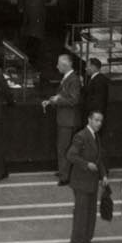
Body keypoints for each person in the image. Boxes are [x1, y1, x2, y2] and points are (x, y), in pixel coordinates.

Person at [66, 107, 107, 243]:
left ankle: (86, 241)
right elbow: (71, 155)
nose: (99, 123)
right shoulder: (81, 136)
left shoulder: (95, 136)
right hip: (81, 181)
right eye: (96, 120)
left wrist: (103, 175)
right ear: (89, 120)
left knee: (90, 213)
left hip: (91, 181)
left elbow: (98, 158)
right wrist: (86, 164)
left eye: (101, 121)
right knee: (81, 214)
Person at [42, 52, 81, 184]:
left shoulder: (73, 79)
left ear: (65, 64)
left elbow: (73, 100)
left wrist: (57, 100)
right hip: (66, 119)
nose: (57, 66)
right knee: (64, 147)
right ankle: (64, 171)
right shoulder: (68, 78)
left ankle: (65, 176)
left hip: (67, 120)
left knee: (63, 148)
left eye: (59, 64)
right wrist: (52, 100)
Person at [15, 0, 53, 69]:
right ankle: (33, 61)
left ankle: (22, 56)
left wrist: (20, 6)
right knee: (36, 36)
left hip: (27, 10)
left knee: (26, 32)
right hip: (39, 12)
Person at [82, 55, 111, 126]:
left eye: (87, 66)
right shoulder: (94, 79)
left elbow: (98, 100)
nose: (86, 68)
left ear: (93, 67)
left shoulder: (99, 80)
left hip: (94, 117)